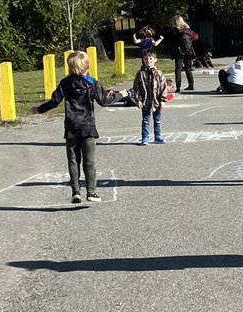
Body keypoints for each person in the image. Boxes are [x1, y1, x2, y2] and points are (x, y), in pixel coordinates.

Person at [37, 50, 121, 204]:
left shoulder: (65, 83)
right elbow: (104, 100)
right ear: (87, 67)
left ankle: (76, 191)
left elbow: (54, 101)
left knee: (73, 160)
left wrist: (39, 109)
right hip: (87, 126)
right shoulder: (91, 82)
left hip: (71, 127)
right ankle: (91, 192)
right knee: (89, 161)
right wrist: (121, 95)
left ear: (69, 67)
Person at [130, 50, 169, 144]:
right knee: (145, 121)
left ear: (155, 60)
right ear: (143, 60)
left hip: (156, 101)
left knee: (157, 120)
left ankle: (158, 135)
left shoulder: (159, 73)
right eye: (146, 59)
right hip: (145, 101)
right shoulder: (140, 74)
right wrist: (138, 99)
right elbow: (136, 87)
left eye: (151, 59)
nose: (148, 61)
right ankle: (145, 137)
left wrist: (162, 100)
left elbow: (163, 88)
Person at [168, 15, 196, 92]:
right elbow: (195, 37)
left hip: (178, 51)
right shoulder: (187, 29)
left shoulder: (174, 30)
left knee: (178, 68)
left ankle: (178, 87)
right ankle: (191, 85)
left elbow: (171, 40)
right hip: (188, 51)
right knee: (188, 67)